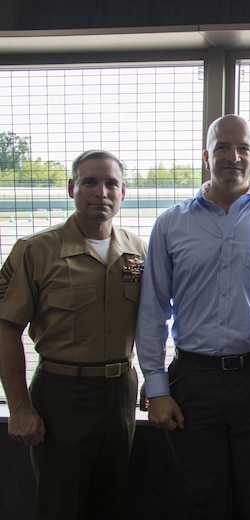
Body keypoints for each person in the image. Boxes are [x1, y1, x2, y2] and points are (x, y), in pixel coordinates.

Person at [136, 114, 250, 519]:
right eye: (223, 147)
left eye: (243, 148)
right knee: (200, 499)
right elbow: (153, 309)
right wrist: (156, 387)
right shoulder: (171, 224)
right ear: (206, 156)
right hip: (193, 383)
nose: (234, 156)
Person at [0, 150, 146, 519]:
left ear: (123, 192)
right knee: (60, 505)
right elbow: (5, 331)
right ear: (71, 188)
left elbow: (154, 322)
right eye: (90, 182)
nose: (101, 192)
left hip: (119, 395)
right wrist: (19, 408)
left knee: (112, 503)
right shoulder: (35, 251)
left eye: (111, 183)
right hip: (62, 396)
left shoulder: (137, 251)